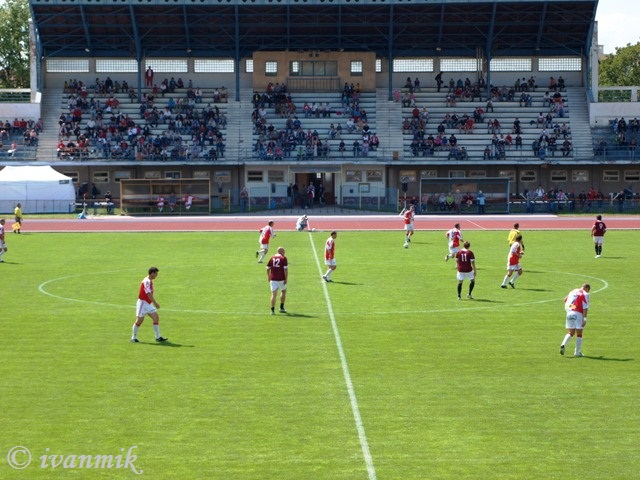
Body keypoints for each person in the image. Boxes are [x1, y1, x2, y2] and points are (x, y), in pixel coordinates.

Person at [131, 267, 168, 343]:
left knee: (156, 317)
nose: (156, 275)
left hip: (147, 304)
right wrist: (155, 303)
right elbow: (148, 293)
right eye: (156, 274)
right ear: (152, 273)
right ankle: (133, 338)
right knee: (139, 320)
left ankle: (158, 337)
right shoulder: (147, 281)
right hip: (142, 303)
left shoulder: (149, 281)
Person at [560, 283, 591, 357]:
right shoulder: (585, 294)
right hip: (578, 314)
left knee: (571, 332)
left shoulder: (572, 291)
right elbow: (585, 307)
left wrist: (574, 306)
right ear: (587, 288)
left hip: (569, 313)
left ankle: (563, 344)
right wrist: (584, 319)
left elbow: (565, 300)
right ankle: (577, 352)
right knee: (579, 333)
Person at [266, 246, 288, 315]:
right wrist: (286, 278)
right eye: (284, 251)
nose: (284, 253)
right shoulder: (283, 258)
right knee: (283, 291)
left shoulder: (272, 258)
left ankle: (272, 310)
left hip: (273, 278)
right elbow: (285, 270)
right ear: (281, 252)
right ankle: (281, 307)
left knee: (273, 294)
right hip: (281, 278)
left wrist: (268, 276)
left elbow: (267, 268)